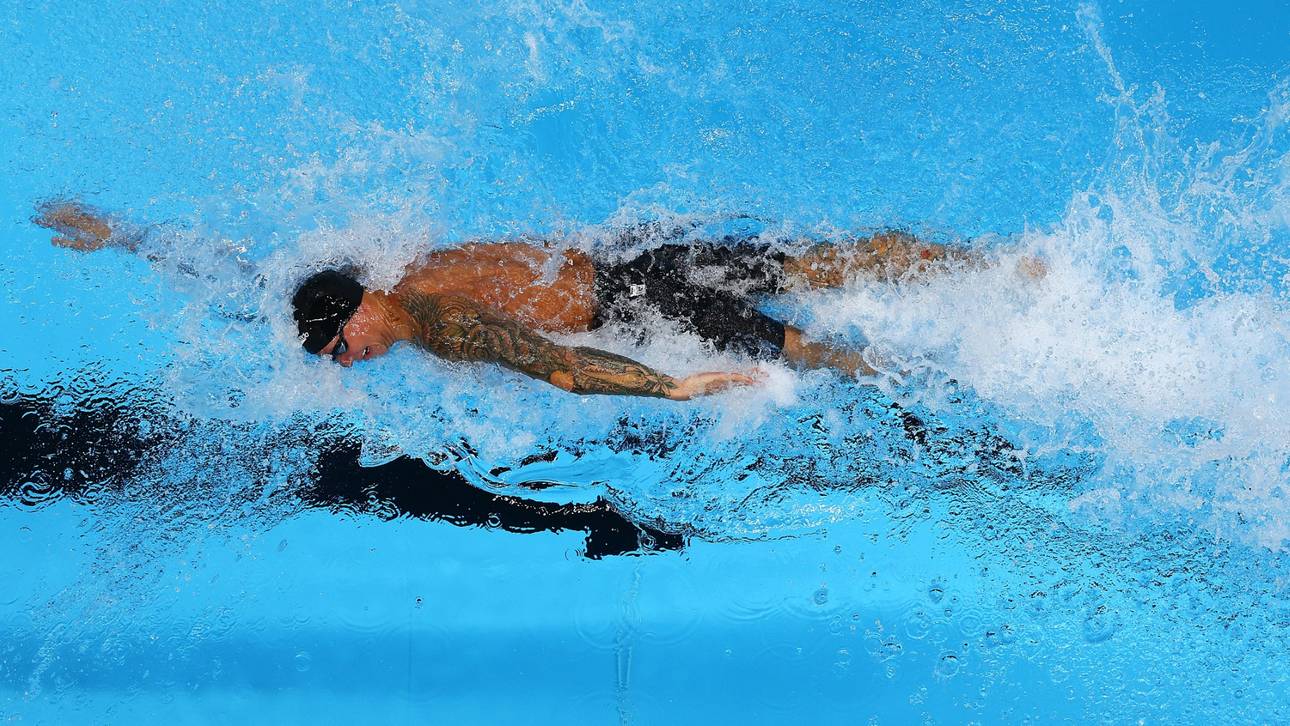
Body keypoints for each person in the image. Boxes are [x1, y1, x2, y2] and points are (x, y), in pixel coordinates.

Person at [35, 200, 1004, 400]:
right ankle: (989, 270)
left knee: (814, 348)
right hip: (623, 257)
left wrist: (666, 392)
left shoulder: (438, 321)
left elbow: (565, 369)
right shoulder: (387, 271)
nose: (339, 362)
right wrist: (124, 235)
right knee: (820, 265)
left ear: (363, 307)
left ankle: (963, 371)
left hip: (636, 298)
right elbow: (239, 269)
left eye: (335, 344)